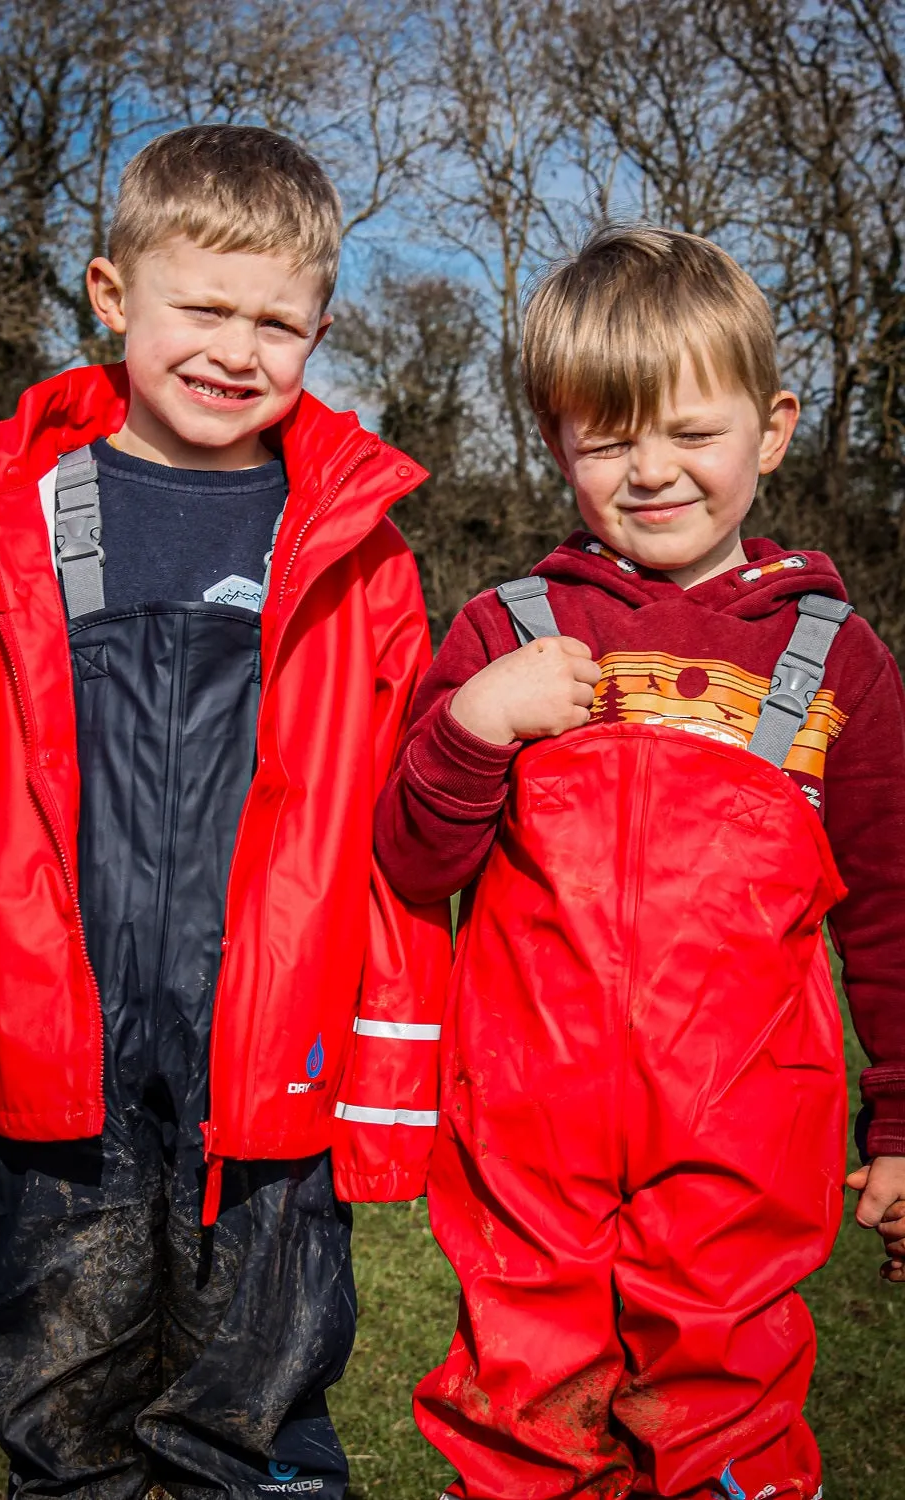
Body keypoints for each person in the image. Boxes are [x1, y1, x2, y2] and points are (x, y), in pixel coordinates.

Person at [0, 124, 449, 1500]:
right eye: (202, 307)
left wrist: (388, 1092)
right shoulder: (8, 525)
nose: (235, 348)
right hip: (55, 1080)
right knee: (58, 1416)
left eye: (277, 320)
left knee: (254, 1422)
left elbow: (389, 844)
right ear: (110, 296)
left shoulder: (356, 550)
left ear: (321, 326)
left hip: (272, 1082)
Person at [373, 225, 905, 1500]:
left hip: (743, 1147)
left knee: (723, 1428)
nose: (652, 471)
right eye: (607, 439)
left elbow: (889, 912)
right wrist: (472, 726)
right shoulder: (505, 632)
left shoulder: (835, 663)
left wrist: (900, 1118)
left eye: (690, 432)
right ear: (556, 439)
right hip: (524, 1144)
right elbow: (411, 863)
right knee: (522, 1420)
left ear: (771, 429)